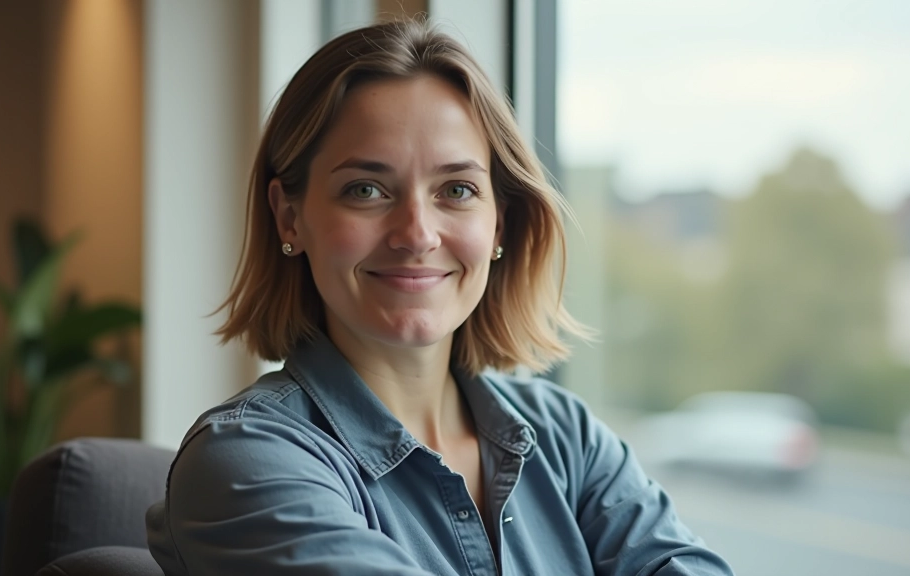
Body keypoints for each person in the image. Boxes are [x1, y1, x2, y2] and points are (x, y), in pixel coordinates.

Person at [146, 19, 734, 576]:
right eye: (366, 189)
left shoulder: (566, 437)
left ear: (499, 223)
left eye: (456, 189)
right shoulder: (246, 459)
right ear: (289, 218)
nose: (417, 234)